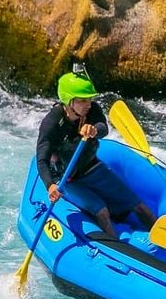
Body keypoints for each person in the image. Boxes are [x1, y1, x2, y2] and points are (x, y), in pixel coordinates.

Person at [36, 69, 155, 239]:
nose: (88, 104)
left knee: (139, 205)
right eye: (83, 100)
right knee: (102, 211)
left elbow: (103, 127)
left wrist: (94, 130)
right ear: (69, 102)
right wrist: (51, 185)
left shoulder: (91, 110)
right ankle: (117, 250)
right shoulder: (52, 123)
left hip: (91, 167)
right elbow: (41, 160)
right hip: (66, 178)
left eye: (90, 99)